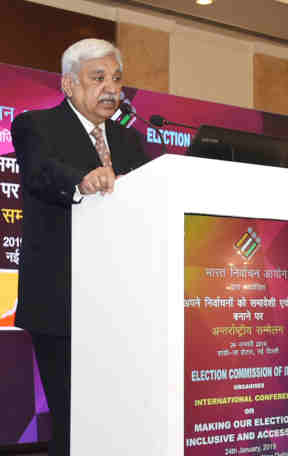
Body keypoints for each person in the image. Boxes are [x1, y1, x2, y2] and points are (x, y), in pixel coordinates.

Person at [11, 38, 148, 456]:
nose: (111, 88)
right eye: (99, 78)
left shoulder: (129, 142)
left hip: (120, 307)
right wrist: (81, 180)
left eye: (117, 79)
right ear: (68, 84)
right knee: (75, 425)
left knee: (116, 422)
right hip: (61, 304)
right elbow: (41, 171)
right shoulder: (35, 125)